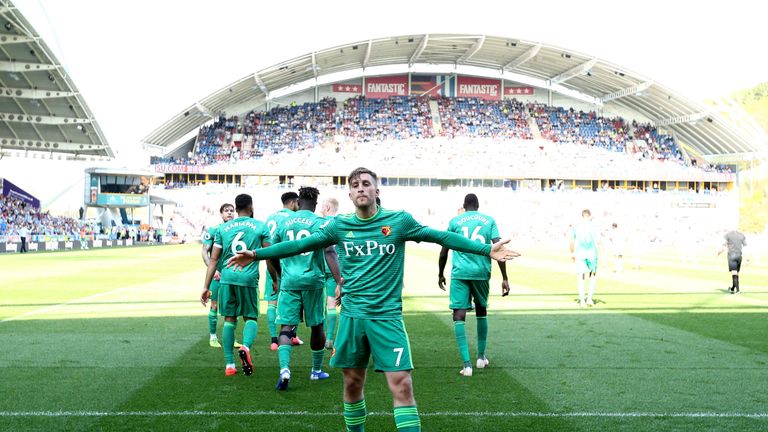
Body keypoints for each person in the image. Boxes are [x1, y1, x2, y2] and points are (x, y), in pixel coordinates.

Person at [228, 167, 519, 432]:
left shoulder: (399, 221)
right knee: (353, 384)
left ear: (376, 190)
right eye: (354, 185)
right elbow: (299, 245)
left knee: (402, 385)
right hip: (353, 318)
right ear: (350, 193)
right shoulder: (338, 226)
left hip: (387, 319)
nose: (360, 188)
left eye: (366, 184)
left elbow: (441, 236)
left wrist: (486, 250)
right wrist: (256, 254)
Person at [271, 187, 343, 390]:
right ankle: (316, 371)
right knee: (317, 326)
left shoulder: (284, 223)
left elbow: (273, 252)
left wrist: (280, 275)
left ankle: (285, 369)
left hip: (290, 282)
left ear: (298, 202)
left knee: (286, 327)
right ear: (316, 204)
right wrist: (339, 280)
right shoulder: (320, 223)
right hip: (313, 281)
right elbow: (329, 252)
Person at [201, 194, 278, 376]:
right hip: (248, 279)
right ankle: (245, 347)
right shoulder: (260, 226)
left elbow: (213, 259)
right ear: (251, 207)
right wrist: (274, 279)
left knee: (229, 320)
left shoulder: (223, 228)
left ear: (235, 209)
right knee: (250, 318)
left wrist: (206, 286)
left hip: (227, 278)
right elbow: (269, 256)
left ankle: (230, 365)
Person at [437, 193, 510, 377]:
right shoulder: (489, 220)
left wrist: (440, 273)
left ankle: (467, 365)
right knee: (481, 310)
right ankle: (480, 358)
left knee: (459, 314)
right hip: (481, 272)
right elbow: (498, 248)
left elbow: (444, 249)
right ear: (478, 206)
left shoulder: (455, 221)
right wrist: (504, 277)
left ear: (464, 205)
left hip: (460, 273)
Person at [263, 192, 303, 350]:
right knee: (293, 301)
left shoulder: (269, 218)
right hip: (287, 264)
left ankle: (274, 340)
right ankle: (291, 336)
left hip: (270, 262)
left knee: (272, 302)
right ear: (293, 203)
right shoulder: (292, 218)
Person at [201, 203, 236, 348]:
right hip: (217, 274)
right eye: (226, 211)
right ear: (221, 214)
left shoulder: (236, 230)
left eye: (231, 211)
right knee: (214, 305)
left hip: (232, 274)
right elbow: (204, 252)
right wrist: (213, 269)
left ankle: (231, 338)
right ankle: (213, 337)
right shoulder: (214, 230)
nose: (229, 213)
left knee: (233, 307)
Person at [320, 196, 341, 350]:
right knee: (335, 304)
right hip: (337, 270)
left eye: (322, 206)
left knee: (326, 304)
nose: (321, 209)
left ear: (327, 207)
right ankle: (331, 338)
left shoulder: (320, 223)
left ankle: (325, 337)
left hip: (321, 268)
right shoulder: (342, 223)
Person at [570, 209, 599, 307]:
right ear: (590, 216)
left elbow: (572, 240)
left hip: (580, 253)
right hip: (592, 253)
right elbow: (597, 241)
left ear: (582, 216)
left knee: (581, 277)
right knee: (592, 276)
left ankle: (582, 301)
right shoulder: (594, 225)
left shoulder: (576, 226)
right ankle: (589, 299)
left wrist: (572, 253)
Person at [718, 229, 747, 294]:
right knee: (736, 273)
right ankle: (732, 288)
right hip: (739, 255)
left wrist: (718, 252)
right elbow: (745, 246)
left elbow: (723, 245)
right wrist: (747, 258)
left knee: (734, 273)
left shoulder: (727, 235)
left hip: (731, 255)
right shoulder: (742, 235)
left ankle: (738, 290)